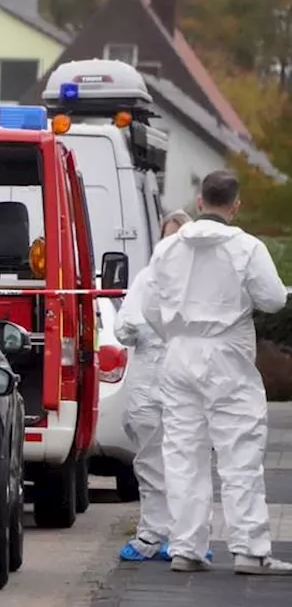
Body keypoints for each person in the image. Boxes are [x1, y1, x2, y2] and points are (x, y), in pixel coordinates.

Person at [141, 170, 290, 574]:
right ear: (235, 206)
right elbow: (275, 300)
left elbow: (151, 306)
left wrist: (174, 335)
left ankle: (186, 548)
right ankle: (249, 549)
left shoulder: (168, 250)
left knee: (183, 454)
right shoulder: (246, 248)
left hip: (179, 354)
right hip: (227, 355)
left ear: (200, 202)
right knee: (239, 452)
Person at [114, 210, 193, 562]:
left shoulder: (200, 282)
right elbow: (124, 326)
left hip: (186, 386)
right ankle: (152, 534)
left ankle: (184, 537)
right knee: (149, 463)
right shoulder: (149, 278)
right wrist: (148, 329)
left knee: (186, 464)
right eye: (168, 237)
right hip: (149, 386)